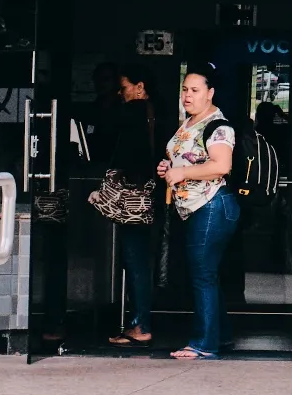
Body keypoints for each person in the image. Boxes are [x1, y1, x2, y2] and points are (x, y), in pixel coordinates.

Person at [157, 66, 240, 360]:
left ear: (210, 93)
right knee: (208, 274)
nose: (187, 95)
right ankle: (222, 336)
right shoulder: (190, 122)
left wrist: (182, 172)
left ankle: (204, 343)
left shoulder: (217, 126)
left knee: (203, 275)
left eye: (194, 90)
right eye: (184, 89)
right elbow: (183, 158)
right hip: (196, 208)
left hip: (212, 205)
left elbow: (221, 166)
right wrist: (169, 169)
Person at [102, 61, 159, 347]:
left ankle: (140, 323)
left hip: (132, 197)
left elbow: (109, 133)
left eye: (123, 88)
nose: (120, 93)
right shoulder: (153, 114)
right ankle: (140, 320)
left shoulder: (133, 112)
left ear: (140, 87)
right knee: (139, 260)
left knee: (134, 259)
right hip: (149, 195)